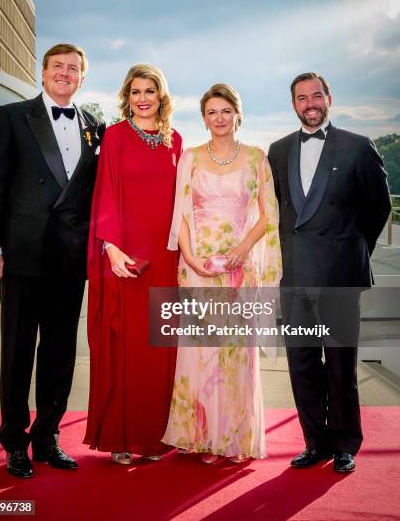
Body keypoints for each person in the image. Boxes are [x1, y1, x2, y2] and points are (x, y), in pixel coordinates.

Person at [0, 43, 105, 478]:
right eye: (58, 67)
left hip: (70, 259)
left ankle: (48, 437)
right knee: (16, 352)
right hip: (22, 255)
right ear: (43, 72)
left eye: (74, 69)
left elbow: (96, 192)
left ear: (82, 78)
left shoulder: (95, 126)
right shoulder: (12, 116)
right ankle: (15, 442)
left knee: (60, 351)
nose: (65, 74)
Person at [268, 72, 391, 473]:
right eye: (302, 98)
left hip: (339, 275)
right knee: (302, 363)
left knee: (340, 365)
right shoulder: (278, 150)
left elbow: (378, 209)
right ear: (293, 105)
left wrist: (352, 251)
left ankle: (344, 444)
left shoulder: (358, 147)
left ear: (329, 98)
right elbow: (273, 211)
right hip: (295, 276)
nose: (310, 103)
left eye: (316, 95)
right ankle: (315, 442)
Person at [162, 84, 282, 463]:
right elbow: (179, 214)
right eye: (212, 112)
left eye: (226, 111)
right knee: (202, 355)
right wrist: (191, 257)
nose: (219, 118)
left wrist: (243, 249)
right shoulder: (191, 157)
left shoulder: (255, 159)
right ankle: (201, 436)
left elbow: (268, 215)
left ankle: (232, 437)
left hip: (238, 270)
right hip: (197, 269)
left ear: (237, 114)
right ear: (204, 118)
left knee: (234, 356)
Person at [84, 63, 182, 464]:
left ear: (161, 96)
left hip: (165, 258)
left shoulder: (175, 140)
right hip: (126, 258)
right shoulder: (115, 136)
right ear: (127, 96)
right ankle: (122, 437)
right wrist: (110, 248)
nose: (143, 98)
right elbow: (104, 190)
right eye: (136, 91)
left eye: (150, 91)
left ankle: (155, 437)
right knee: (126, 347)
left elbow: (183, 201)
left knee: (160, 349)